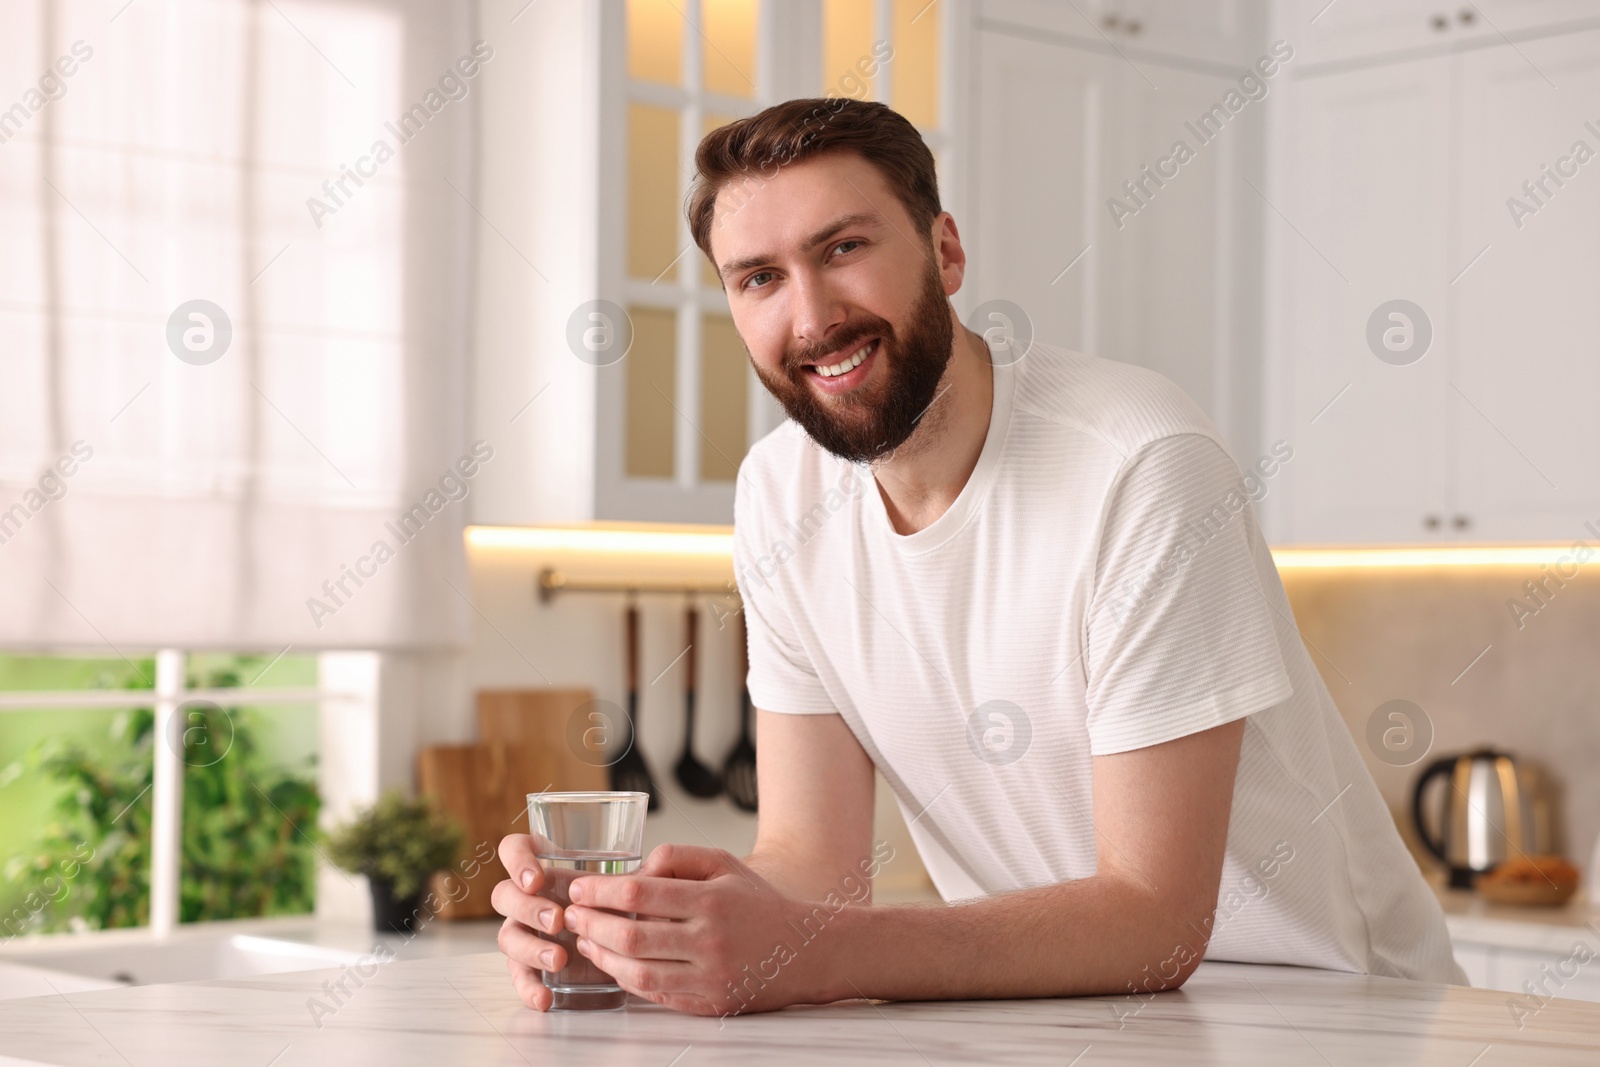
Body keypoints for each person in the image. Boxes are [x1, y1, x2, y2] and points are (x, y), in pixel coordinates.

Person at [492, 97, 1466, 1017]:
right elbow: (811, 866)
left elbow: (1155, 919)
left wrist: (810, 952)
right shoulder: (777, 494)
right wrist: (652, 931)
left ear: (944, 250)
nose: (813, 313)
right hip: (1048, 1006)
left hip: (1328, 1012)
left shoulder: (1139, 467)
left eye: (844, 247)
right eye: (759, 277)